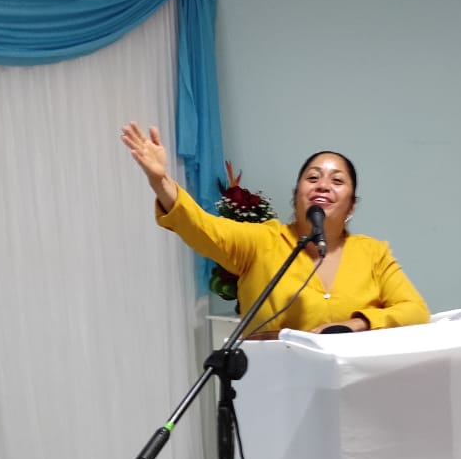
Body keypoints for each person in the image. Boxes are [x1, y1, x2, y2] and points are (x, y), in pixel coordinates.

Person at [120, 123, 430, 337]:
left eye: (337, 181)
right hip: (273, 388)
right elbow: (200, 226)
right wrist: (160, 181)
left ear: (351, 206)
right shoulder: (262, 241)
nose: (323, 185)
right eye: (313, 178)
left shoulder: (373, 253)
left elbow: (415, 311)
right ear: (296, 197)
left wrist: (355, 325)